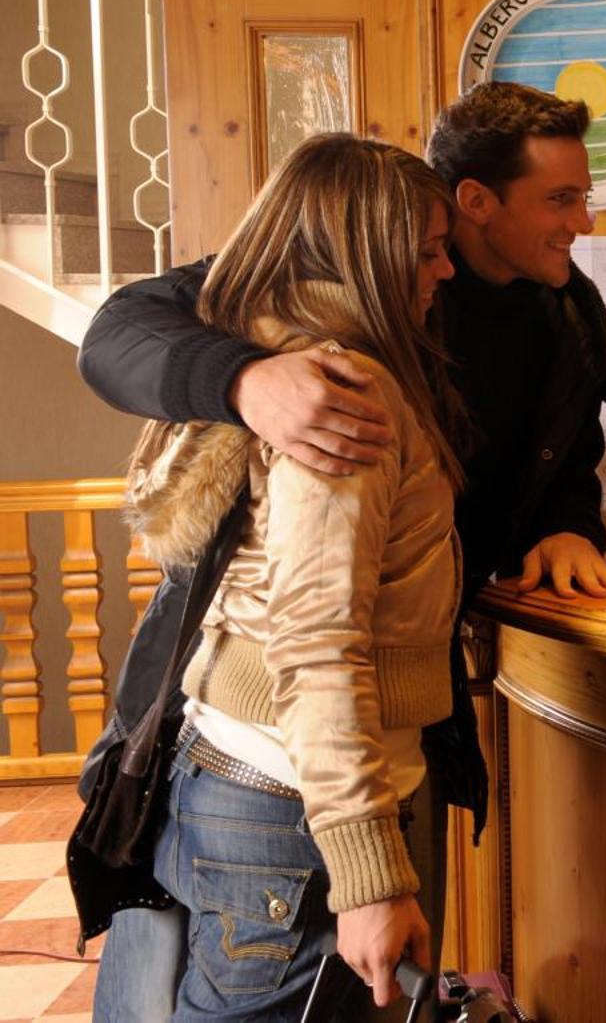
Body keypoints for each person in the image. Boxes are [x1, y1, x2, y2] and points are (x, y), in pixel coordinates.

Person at [78, 82, 606, 1020]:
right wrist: (248, 380)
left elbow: (566, 459)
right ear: (473, 205)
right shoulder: (346, 364)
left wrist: (565, 522)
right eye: (561, 197)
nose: (585, 218)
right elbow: (117, 333)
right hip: (282, 758)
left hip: (354, 741)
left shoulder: (565, 308)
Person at [94, 133, 463, 1017]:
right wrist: (368, 873)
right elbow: (318, 642)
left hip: (232, 773)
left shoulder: (264, 344)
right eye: (424, 250)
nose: (445, 270)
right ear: (362, 255)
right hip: (292, 812)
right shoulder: (345, 392)